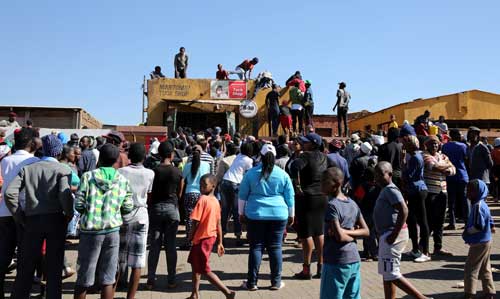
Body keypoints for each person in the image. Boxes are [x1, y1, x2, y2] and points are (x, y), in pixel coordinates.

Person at [4, 134, 73, 299]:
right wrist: (68, 214)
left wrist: (19, 215)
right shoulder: (63, 170)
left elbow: (9, 193)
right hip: (56, 220)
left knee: (26, 265)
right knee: (54, 266)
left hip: (32, 220)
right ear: (58, 152)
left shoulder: (28, 169)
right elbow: (65, 196)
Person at [73, 144, 134, 299]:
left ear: (99, 159)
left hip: (90, 232)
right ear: (116, 161)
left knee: (84, 277)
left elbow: (78, 205)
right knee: (108, 278)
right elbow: (128, 207)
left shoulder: (87, 177)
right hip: (112, 231)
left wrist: (89, 211)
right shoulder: (122, 180)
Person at [239, 144, 294, 290]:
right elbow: (290, 196)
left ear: (261, 157)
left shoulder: (251, 173)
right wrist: (291, 214)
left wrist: (241, 213)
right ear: (274, 157)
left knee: (256, 247)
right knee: (275, 247)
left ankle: (252, 283)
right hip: (279, 214)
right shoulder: (283, 175)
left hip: (256, 214)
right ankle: (275, 282)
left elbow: (242, 195)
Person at [374, 162, 432, 299]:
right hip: (388, 234)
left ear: (389, 174)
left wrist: (394, 234)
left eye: (380, 174)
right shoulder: (386, 189)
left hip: (392, 235)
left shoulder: (390, 189)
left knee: (392, 273)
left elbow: (404, 210)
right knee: (387, 273)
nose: (376, 177)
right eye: (375, 174)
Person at [290, 133, 336, 279]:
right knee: (319, 232)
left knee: (306, 234)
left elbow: (294, 167)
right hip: (322, 197)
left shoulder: (305, 156)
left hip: (307, 198)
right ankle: (321, 267)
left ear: (312, 144)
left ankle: (306, 269)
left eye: (305, 142)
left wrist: (297, 184)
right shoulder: (325, 157)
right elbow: (335, 171)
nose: (303, 144)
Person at [0, 128, 39, 299]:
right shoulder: (35, 161)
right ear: (32, 143)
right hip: (26, 214)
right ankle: (20, 293)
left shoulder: (5, 160)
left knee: (3, 254)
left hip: (4, 212)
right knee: (25, 256)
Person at [319, 167, 369, 299]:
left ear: (336, 184)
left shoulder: (332, 206)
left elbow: (340, 236)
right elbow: (364, 231)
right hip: (353, 260)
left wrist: (343, 232)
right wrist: (351, 233)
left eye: (325, 181)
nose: (321, 184)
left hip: (336, 261)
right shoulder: (352, 203)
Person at [187, 174, 235, 299]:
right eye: (200, 185)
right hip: (209, 237)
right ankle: (194, 294)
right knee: (195, 265)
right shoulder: (216, 201)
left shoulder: (202, 199)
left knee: (204, 269)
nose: (201, 187)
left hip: (202, 238)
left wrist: (190, 235)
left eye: (204, 185)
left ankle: (227, 292)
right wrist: (220, 241)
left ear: (213, 186)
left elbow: (195, 222)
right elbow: (219, 223)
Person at [116, 143, 155, 299]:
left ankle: (113, 289)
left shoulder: (120, 172)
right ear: (144, 157)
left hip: (121, 216)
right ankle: (130, 296)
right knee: (137, 260)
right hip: (141, 216)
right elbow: (149, 195)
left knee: (119, 257)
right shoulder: (150, 174)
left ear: (129, 156)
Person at [147, 142, 184, 289]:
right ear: (172, 155)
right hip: (172, 210)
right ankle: (172, 280)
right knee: (171, 246)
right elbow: (180, 193)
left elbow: (149, 193)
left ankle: (150, 280)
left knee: (154, 246)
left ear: (159, 155)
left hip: (155, 209)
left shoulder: (153, 171)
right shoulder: (177, 172)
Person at [462, 179, 496, 299]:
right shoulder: (483, 203)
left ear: (478, 192)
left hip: (479, 242)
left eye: (470, 191)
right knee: (484, 267)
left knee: (470, 268)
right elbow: (490, 220)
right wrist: (492, 227)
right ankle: (489, 292)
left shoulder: (477, 206)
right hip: (486, 240)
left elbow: (478, 226)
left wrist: (467, 232)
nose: (467, 193)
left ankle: (469, 293)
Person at [422, 136, 455, 256]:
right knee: (430, 220)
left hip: (443, 191)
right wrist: (446, 167)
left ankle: (438, 247)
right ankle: (423, 246)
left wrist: (445, 168)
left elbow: (453, 169)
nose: (434, 146)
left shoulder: (443, 156)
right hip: (431, 191)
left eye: (436, 144)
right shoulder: (424, 155)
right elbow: (433, 167)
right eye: (431, 144)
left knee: (440, 221)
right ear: (427, 145)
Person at [402, 134, 430, 262]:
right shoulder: (416, 156)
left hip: (417, 190)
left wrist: (403, 164)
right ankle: (415, 249)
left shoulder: (414, 158)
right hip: (416, 189)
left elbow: (409, 176)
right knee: (412, 220)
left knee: (422, 220)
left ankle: (425, 251)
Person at [220, 142, 253, 245]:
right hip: (236, 184)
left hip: (225, 181)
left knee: (225, 211)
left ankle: (221, 236)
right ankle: (238, 237)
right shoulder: (249, 160)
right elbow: (248, 175)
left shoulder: (238, 156)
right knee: (236, 211)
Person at [182, 146, 211, 248]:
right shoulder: (206, 165)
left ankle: (189, 241)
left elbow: (183, 179)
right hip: (202, 194)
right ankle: (200, 240)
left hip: (189, 193)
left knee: (189, 218)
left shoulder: (187, 166)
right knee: (201, 218)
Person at [442, 128, 469, 230]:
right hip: (462, 176)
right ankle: (467, 222)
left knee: (451, 201)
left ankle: (452, 223)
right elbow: (467, 159)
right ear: (457, 136)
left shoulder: (445, 146)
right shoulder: (463, 146)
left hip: (450, 176)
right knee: (464, 201)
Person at [491, 138, 500, 202]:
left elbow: (491, 160)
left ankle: (496, 197)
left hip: (495, 170)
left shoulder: (493, 151)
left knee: (496, 183)